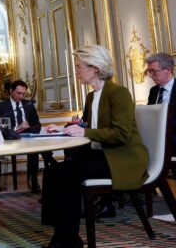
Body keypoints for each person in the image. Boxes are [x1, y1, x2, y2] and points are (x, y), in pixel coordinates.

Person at [42, 45, 149, 248]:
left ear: (96, 68)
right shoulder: (92, 96)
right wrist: (65, 128)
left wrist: (84, 131)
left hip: (122, 159)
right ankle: (61, 236)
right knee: (54, 171)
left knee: (67, 175)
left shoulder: (119, 93)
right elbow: (90, 127)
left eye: (79, 67)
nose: (76, 72)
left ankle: (67, 241)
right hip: (102, 155)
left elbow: (121, 134)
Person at [0, 80, 55, 193]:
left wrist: (28, 129)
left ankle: (35, 179)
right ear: (11, 91)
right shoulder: (2, 106)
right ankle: (50, 164)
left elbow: (37, 125)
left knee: (36, 149)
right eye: (18, 93)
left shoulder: (28, 105)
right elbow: (0, 128)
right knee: (35, 148)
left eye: (23, 94)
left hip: (29, 136)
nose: (21, 96)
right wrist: (18, 128)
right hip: (12, 139)